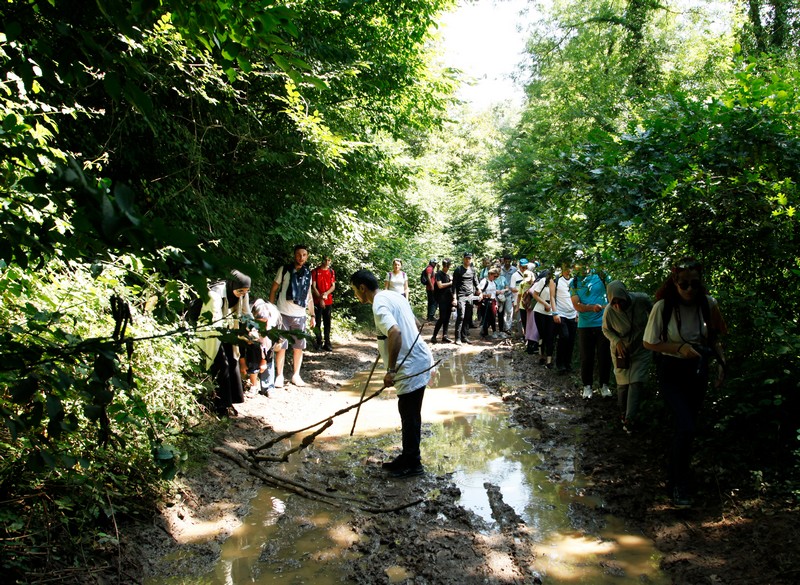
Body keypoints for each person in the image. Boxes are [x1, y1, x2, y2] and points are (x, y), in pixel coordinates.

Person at [643, 258, 727, 507]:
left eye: (694, 284)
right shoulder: (663, 307)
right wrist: (679, 348)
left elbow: (715, 338)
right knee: (686, 426)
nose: (689, 289)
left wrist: (722, 366)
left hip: (698, 370)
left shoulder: (708, 304)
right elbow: (649, 342)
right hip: (672, 370)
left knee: (687, 428)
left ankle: (675, 475)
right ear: (675, 283)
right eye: (684, 285)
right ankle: (680, 485)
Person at [350, 269, 433, 478]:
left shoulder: (379, 304)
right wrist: (383, 344)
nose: (355, 295)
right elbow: (413, 323)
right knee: (408, 411)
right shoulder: (394, 295)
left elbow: (395, 332)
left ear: (362, 288)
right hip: (419, 357)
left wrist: (391, 370)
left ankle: (414, 464)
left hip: (411, 364)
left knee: (410, 414)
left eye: (354, 290)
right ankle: (407, 457)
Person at [196, 270, 252, 417]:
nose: (242, 294)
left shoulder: (242, 293)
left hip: (227, 329)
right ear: (232, 284)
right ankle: (221, 406)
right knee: (223, 365)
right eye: (240, 291)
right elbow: (214, 321)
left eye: (246, 292)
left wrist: (253, 329)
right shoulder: (215, 295)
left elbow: (247, 314)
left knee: (233, 360)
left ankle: (231, 401)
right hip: (211, 331)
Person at [602, 280, 653, 428]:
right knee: (623, 385)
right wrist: (617, 341)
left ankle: (630, 420)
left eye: (620, 301)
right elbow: (605, 329)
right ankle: (623, 412)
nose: (618, 306)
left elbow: (655, 315)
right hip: (620, 351)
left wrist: (654, 334)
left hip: (641, 347)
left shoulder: (641, 300)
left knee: (636, 382)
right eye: (614, 303)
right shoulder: (609, 311)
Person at [270, 244, 316, 388]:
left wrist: (312, 315)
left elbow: (309, 296)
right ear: (294, 255)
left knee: (298, 347)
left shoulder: (308, 273)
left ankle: (296, 375)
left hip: (300, 315)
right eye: (298, 254)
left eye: (304, 255)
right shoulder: (284, 270)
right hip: (282, 312)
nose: (301, 258)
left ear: (307, 256)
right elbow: (273, 289)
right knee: (281, 345)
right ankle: (279, 376)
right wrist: (272, 309)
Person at [571, 263, 612, 398]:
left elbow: (613, 291)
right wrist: (591, 307)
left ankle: (604, 385)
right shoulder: (574, 282)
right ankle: (587, 386)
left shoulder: (601, 275)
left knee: (604, 355)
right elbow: (576, 305)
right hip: (585, 325)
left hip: (603, 323)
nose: (581, 267)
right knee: (586, 357)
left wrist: (610, 305)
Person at [240, 298, 281, 398]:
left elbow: (272, 345)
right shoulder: (245, 317)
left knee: (268, 357)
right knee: (252, 349)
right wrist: (242, 362)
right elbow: (240, 341)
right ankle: (253, 386)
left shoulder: (275, 318)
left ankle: (269, 387)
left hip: (269, 339)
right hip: (251, 337)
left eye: (264, 322)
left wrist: (264, 361)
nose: (261, 326)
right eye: (259, 323)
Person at [553, 263, 578, 375]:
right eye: (567, 267)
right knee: (564, 336)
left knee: (571, 340)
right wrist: (555, 313)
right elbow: (552, 297)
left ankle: (568, 364)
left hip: (573, 313)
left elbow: (579, 296)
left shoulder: (575, 280)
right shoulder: (557, 280)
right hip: (561, 313)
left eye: (570, 267)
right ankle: (560, 364)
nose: (569, 270)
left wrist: (578, 312)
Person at [531, 268, 557, 368]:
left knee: (550, 336)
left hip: (551, 312)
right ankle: (541, 356)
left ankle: (549, 360)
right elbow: (535, 295)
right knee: (542, 335)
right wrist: (545, 304)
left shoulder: (556, 283)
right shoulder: (543, 281)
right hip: (540, 311)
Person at [452, 252, 479, 345]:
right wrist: (454, 298)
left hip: (470, 296)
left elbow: (476, 282)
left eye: (469, 258)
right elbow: (454, 285)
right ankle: (457, 337)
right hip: (461, 295)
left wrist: (480, 291)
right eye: (466, 258)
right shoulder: (458, 270)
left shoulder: (473, 270)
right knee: (461, 316)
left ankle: (464, 336)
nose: (468, 260)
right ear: (463, 259)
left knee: (468, 316)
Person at [311, 255, 336, 351]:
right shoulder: (315, 271)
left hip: (328, 300)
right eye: (325, 259)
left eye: (329, 260)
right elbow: (313, 287)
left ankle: (327, 342)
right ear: (322, 260)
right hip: (317, 301)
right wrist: (321, 298)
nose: (327, 261)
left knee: (327, 322)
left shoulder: (331, 272)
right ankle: (318, 342)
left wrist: (326, 293)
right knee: (317, 322)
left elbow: (333, 286)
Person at [430, 258, 455, 344]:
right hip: (442, 299)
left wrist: (454, 298)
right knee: (442, 317)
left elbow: (452, 288)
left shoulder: (449, 275)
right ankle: (434, 336)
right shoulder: (439, 274)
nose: (446, 267)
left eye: (447, 266)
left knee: (447, 318)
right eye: (445, 266)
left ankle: (445, 335)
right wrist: (451, 283)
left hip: (449, 298)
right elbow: (440, 285)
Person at [478, 268, 500, 338]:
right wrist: (486, 295)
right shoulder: (484, 281)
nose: (495, 278)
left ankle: (494, 331)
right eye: (494, 276)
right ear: (490, 274)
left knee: (493, 317)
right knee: (485, 317)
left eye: (496, 277)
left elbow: (494, 293)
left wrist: (496, 303)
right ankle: (485, 333)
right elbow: (478, 292)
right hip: (485, 301)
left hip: (492, 301)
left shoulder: (493, 282)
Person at [499, 255, 518, 333]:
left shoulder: (514, 270)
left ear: (510, 261)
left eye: (508, 261)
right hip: (501, 293)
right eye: (506, 261)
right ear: (504, 260)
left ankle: (508, 328)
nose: (507, 262)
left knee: (509, 311)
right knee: (501, 311)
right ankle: (503, 327)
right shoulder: (501, 269)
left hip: (510, 293)